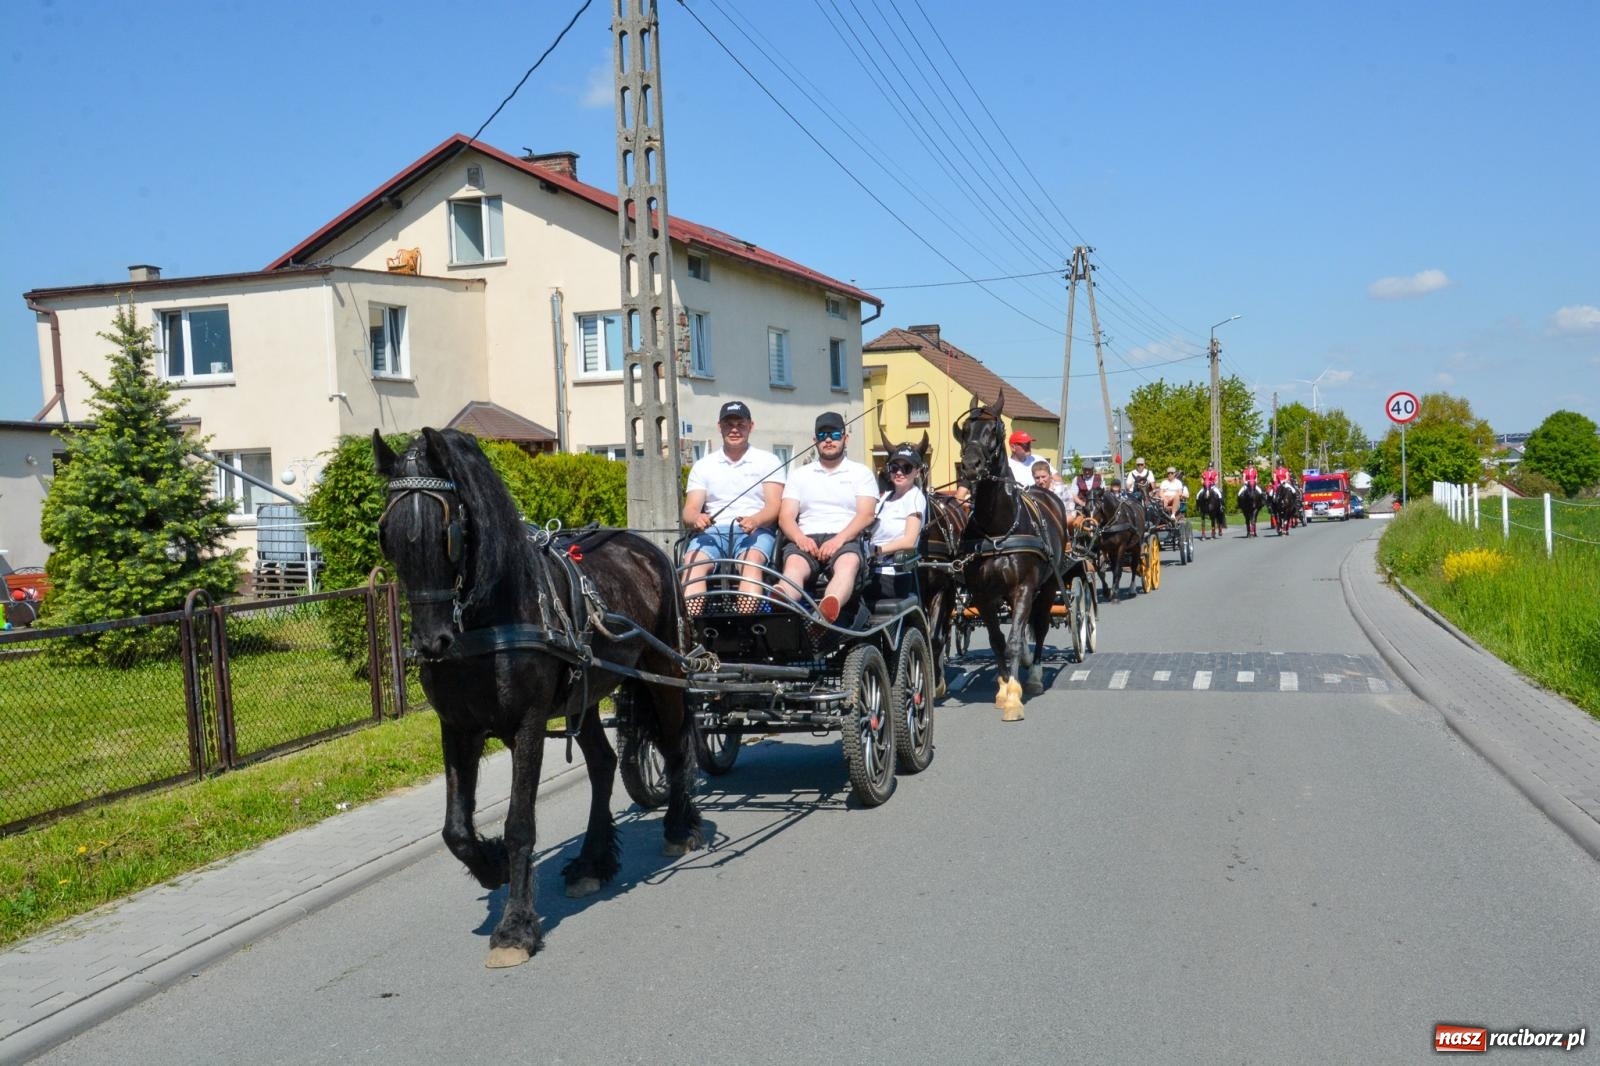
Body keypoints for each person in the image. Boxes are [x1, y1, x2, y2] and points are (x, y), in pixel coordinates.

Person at [681, 400, 785, 612]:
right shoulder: (703, 466)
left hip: (755, 531)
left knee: (751, 562)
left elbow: (774, 506)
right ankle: (690, 629)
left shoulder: (768, 461)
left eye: (741, 424)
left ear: (751, 426)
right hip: (713, 533)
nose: (735, 429)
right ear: (720, 427)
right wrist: (697, 518)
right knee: (692, 563)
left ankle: (745, 623)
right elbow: (690, 510)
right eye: (729, 424)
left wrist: (756, 520)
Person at [779, 411, 881, 623]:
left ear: (845, 438)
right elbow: (786, 517)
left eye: (834, 435)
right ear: (814, 440)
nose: (828, 440)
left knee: (848, 563)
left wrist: (838, 540)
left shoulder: (860, 473)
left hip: (845, 538)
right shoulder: (799, 475)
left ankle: (829, 604)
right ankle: (782, 597)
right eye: (822, 435)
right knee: (794, 565)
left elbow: (866, 514)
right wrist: (800, 539)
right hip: (806, 538)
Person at [868, 443, 927, 599]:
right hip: (871, 569)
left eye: (906, 468)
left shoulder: (914, 497)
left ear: (917, 472)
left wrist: (875, 551)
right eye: (894, 467)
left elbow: (909, 541)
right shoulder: (885, 498)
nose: (899, 472)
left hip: (892, 575)